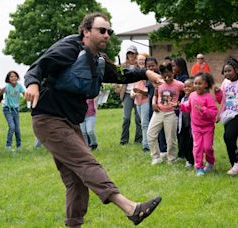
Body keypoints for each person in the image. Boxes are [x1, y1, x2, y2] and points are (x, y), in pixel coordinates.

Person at [24, 13, 161, 227]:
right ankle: (130, 208)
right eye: (102, 30)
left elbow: (119, 74)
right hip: (49, 118)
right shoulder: (70, 48)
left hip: (69, 120)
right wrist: (32, 84)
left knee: (77, 180)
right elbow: (38, 66)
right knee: (86, 162)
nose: (107, 35)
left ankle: (74, 224)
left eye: (109, 31)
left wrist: (146, 73)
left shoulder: (97, 59)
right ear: (86, 31)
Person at [176, 73, 218, 176]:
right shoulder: (192, 95)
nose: (197, 85)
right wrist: (180, 105)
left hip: (208, 127)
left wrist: (203, 109)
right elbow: (188, 106)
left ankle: (210, 161)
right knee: (197, 147)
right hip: (195, 127)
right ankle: (199, 167)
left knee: (207, 147)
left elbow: (213, 112)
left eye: (200, 83)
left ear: (206, 85)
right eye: (195, 83)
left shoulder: (208, 97)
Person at [147, 63, 184, 165]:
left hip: (171, 114)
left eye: (169, 75)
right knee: (150, 134)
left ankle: (171, 158)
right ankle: (156, 157)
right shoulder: (159, 83)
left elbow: (189, 91)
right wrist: (153, 103)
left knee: (170, 139)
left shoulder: (179, 84)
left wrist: (180, 103)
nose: (167, 78)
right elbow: (155, 95)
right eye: (164, 75)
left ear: (173, 73)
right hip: (158, 112)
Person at [118, 45, 142, 145]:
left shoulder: (140, 66)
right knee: (126, 118)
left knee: (138, 118)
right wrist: (117, 87)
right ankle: (124, 141)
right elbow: (117, 78)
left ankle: (138, 140)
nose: (131, 55)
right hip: (127, 94)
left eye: (132, 53)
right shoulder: (123, 66)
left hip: (138, 93)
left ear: (136, 54)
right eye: (129, 53)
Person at [0, 70, 25, 151]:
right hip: (7, 109)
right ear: (8, 79)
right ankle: (8, 146)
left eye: (15, 76)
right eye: (11, 76)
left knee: (17, 128)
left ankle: (19, 146)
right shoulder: (7, 86)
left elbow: (25, 94)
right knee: (12, 127)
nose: (13, 77)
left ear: (17, 77)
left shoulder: (19, 86)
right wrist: (1, 91)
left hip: (16, 110)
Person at [145, 57, 167, 153]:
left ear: (157, 65)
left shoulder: (160, 77)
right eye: (148, 66)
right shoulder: (147, 77)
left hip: (161, 104)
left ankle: (163, 149)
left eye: (153, 65)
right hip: (151, 104)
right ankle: (156, 149)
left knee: (161, 128)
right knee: (152, 128)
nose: (151, 68)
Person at [177, 78, 195, 169]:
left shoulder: (195, 97)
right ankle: (187, 158)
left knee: (190, 144)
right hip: (183, 124)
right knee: (183, 143)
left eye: (189, 86)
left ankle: (191, 160)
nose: (186, 88)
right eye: (185, 87)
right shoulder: (183, 98)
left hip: (192, 126)